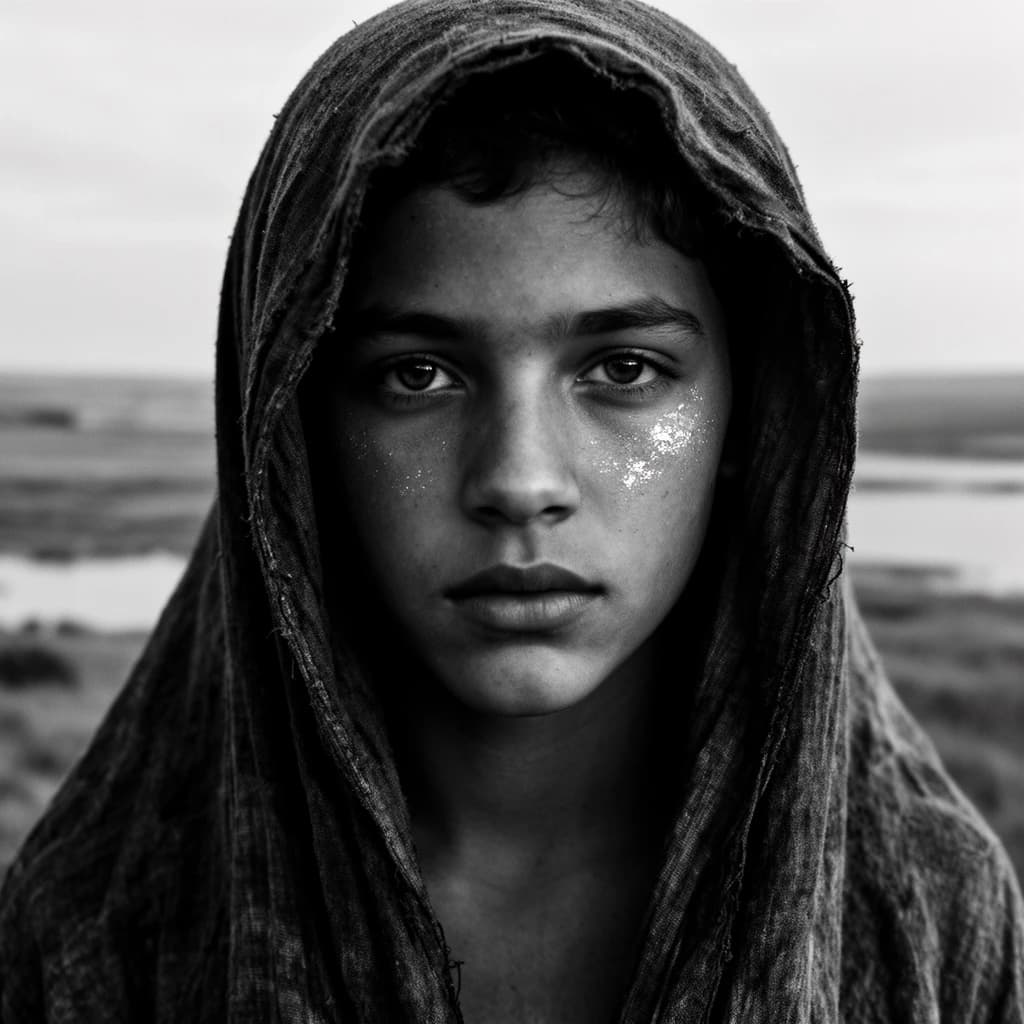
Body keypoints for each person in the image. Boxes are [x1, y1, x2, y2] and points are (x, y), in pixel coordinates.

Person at [1, 0, 1021, 1020]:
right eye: (417, 376)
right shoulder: (98, 937)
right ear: (292, 435)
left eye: (624, 367)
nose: (521, 479)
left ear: (750, 421)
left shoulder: (926, 924)